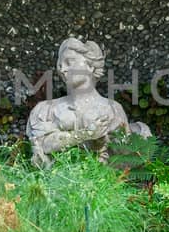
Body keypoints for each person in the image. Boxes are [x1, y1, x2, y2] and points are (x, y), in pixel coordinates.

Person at [26, 37, 151, 168]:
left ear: (90, 66)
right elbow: (43, 144)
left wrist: (104, 142)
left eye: (69, 62)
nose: (62, 69)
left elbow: (122, 158)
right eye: (60, 65)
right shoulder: (45, 109)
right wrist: (86, 134)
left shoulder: (111, 109)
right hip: (56, 184)